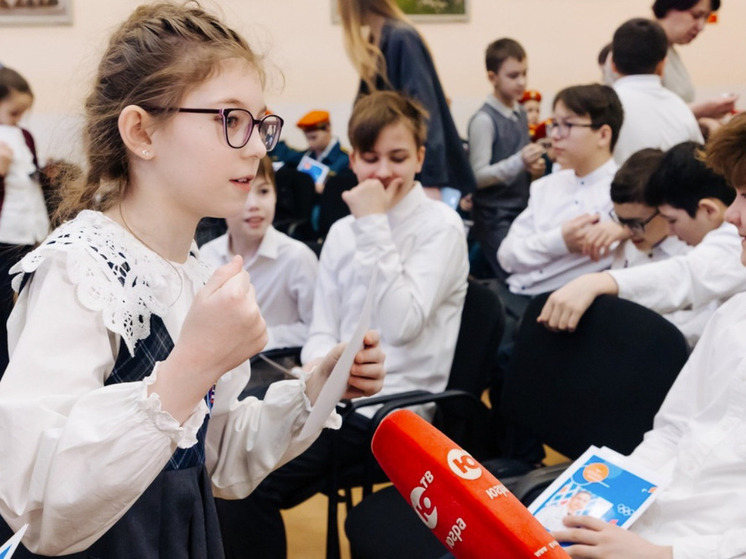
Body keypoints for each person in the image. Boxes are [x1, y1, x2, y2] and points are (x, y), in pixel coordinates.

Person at [0, 3, 385, 556]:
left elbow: (215, 454)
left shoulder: (193, 269)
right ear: (142, 132)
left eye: (260, 123)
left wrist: (314, 389)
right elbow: (38, 506)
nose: (258, 146)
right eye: (231, 120)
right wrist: (192, 367)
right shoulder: (82, 269)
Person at [215, 90, 469, 559]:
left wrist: (373, 224)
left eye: (398, 158)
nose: (383, 172)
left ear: (420, 158)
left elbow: (402, 324)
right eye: (371, 158)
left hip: (392, 412)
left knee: (248, 484)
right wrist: (317, 375)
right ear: (353, 160)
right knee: (223, 450)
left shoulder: (441, 225)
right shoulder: (342, 230)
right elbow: (322, 327)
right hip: (330, 398)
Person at [550, 111, 746, 559]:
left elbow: (690, 276)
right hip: (649, 523)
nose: (732, 215)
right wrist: (607, 506)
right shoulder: (734, 316)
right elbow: (672, 431)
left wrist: (663, 554)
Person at [539, 141, 744, 343]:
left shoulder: (733, 243)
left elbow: (689, 276)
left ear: (709, 210)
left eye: (672, 220)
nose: (670, 231)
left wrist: (600, 282)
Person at [496, 84, 626, 319]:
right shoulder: (546, 185)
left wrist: (624, 228)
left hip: (560, 311)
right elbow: (507, 256)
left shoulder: (624, 195)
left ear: (603, 135)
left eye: (568, 125)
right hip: (511, 295)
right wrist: (560, 240)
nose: (554, 135)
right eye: (554, 124)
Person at [337, 0, 476, 200]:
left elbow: (425, 113)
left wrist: (430, 181)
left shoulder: (401, 38)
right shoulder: (376, 42)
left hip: (422, 182)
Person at [200, 155, 317, 352]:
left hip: (277, 365)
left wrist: (260, 338)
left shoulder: (297, 257)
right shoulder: (207, 254)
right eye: (242, 191)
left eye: (263, 191)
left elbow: (318, 329)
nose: (254, 204)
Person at [607, 148, 714, 346]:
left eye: (636, 223)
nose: (628, 231)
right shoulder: (627, 243)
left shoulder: (695, 250)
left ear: (664, 207)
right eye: (621, 221)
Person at [467, 38, 546, 281]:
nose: (521, 82)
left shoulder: (520, 112)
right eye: (513, 76)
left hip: (521, 209)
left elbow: (519, 165)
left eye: (524, 73)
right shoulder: (484, 120)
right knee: (516, 277)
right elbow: (477, 176)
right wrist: (519, 162)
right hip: (494, 217)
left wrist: (534, 169)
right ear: (492, 77)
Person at [0, 66, 50, 378]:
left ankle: (23, 368)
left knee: (27, 303)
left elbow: (31, 179)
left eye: (22, 113)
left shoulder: (25, 136)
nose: (18, 119)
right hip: (4, 233)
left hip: (30, 231)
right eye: (13, 112)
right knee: (3, 307)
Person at [610, 18, 703, 166]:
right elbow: (700, 164)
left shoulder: (599, 107)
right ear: (662, 65)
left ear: (612, 65)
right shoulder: (680, 109)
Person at [652, 0, 738, 120]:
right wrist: (700, 111)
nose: (701, 27)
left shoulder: (669, 51)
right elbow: (648, 113)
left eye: (706, 18)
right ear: (668, 7)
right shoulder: (644, 48)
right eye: (696, 15)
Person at [295, 109, 350, 191]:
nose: (310, 143)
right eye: (307, 138)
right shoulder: (306, 155)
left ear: (328, 128)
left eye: (314, 137)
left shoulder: (345, 159)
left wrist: (325, 190)